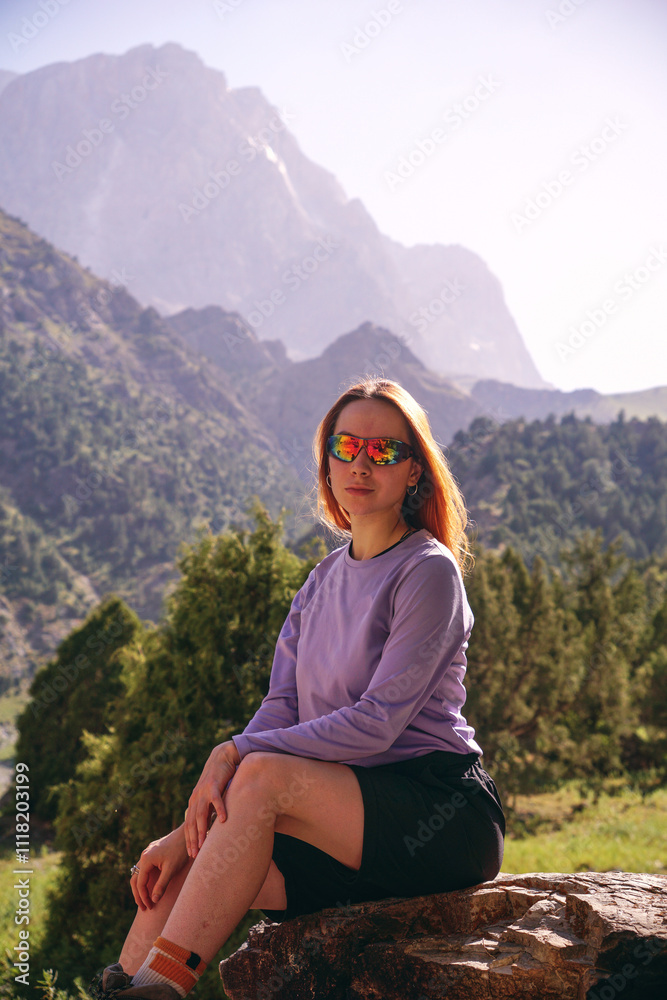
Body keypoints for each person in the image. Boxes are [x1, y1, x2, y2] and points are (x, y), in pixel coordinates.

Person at [96, 376, 505, 1000]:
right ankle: (123, 986)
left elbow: (375, 725)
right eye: (346, 447)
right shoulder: (319, 582)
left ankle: (160, 990)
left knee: (261, 774)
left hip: (437, 812)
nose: (361, 463)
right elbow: (281, 707)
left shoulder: (428, 573)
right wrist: (183, 835)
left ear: (414, 471)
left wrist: (234, 752)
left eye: (384, 451)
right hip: (344, 820)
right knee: (194, 863)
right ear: (328, 461)